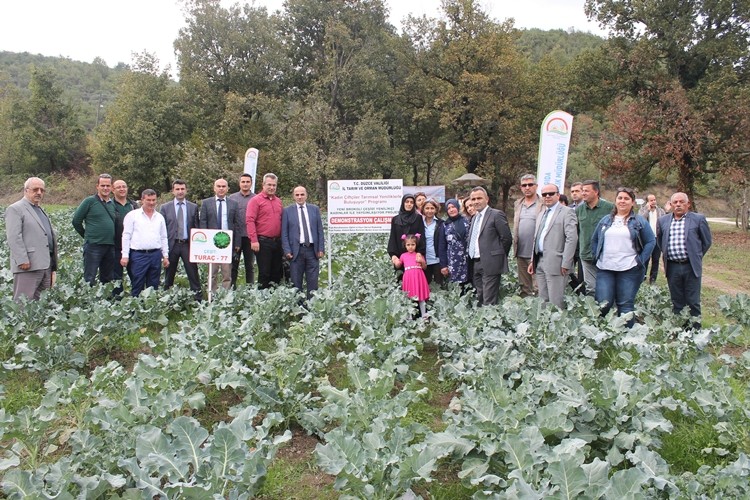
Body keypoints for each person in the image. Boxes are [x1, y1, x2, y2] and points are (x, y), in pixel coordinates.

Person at [591, 187, 656, 327]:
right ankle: (602, 334)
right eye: (620, 198)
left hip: (629, 269)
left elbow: (651, 241)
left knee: (625, 305)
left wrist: (640, 260)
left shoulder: (639, 222)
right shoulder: (605, 220)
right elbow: (595, 239)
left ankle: (628, 337)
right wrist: (596, 255)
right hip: (605, 268)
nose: (622, 201)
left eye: (626, 199)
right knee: (603, 303)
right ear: (615, 201)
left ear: (632, 202)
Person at [657, 192, 712, 328]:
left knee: (693, 301)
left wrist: (696, 255)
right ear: (671, 205)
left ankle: (696, 332)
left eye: (681, 202)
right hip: (673, 267)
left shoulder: (698, 219)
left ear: (688, 204)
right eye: (675, 202)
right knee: (677, 300)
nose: (678, 205)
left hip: (690, 266)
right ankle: (681, 331)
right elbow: (660, 241)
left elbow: (706, 242)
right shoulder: (663, 221)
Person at [5, 177, 58, 302]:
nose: (39, 192)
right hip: (28, 265)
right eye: (35, 189)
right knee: (23, 303)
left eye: (42, 190)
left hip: (45, 264)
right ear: (26, 190)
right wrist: (22, 259)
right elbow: (13, 237)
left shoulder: (39, 209)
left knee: (42, 303)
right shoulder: (15, 209)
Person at [527, 185, 578, 308]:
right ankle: (545, 325)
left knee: (556, 301)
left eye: (551, 193)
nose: (547, 196)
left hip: (557, 263)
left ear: (558, 195)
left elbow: (572, 239)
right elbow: (537, 237)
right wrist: (532, 261)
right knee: (542, 300)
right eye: (544, 194)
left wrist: (566, 262)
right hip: (540, 261)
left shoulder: (567, 212)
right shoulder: (542, 213)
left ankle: (557, 326)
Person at [466, 186, 513, 306]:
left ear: (487, 199)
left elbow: (506, 238)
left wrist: (498, 256)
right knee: (480, 295)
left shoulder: (496, 215)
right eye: (473, 199)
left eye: (479, 198)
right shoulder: (474, 218)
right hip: (475, 263)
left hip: (491, 263)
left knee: (489, 299)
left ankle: (490, 322)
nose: (476, 201)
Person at [120, 189, 169, 297]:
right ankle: (136, 310)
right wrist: (125, 255)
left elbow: (163, 237)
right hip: (138, 255)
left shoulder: (160, 217)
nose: (151, 203)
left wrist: (165, 255)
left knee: (153, 285)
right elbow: (126, 236)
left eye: (153, 200)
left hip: (155, 255)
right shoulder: (132, 215)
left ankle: (150, 310)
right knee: (137, 283)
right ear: (142, 200)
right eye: (148, 200)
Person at [72, 173, 117, 285]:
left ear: (111, 187)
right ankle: (88, 300)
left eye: (107, 186)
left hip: (110, 246)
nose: (105, 188)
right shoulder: (89, 201)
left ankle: (105, 301)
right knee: (90, 277)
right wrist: (87, 236)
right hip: (93, 245)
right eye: (102, 185)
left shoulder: (112, 204)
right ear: (97, 186)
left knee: (108, 278)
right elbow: (76, 221)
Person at [160, 180, 202, 301]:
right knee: (169, 274)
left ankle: (198, 299)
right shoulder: (165, 208)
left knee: (193, 273)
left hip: (187, 245)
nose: (180, 191)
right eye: (177, 189)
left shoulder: (193, 207)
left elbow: (196, 228)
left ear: (186, 190)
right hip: (171, 245)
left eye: (182, 189)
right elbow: (162, 229)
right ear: (173, 191)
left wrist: (197, 248)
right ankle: (167, 298)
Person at [281, 186, 325, 300]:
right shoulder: (287, 211)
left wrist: (321, 248)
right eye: (297, 195)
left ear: (306, 195)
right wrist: (287, 250)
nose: (299, 197)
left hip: (312, 250)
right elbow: (284, 233)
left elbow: (320, 230)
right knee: (296, 281)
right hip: (296, 251)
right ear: (293, 196)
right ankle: (299, 308)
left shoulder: (314, 209)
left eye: (302, 194)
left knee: (313, 281)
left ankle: (312, 304)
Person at [200, 178, 241, 291]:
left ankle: (225, 296)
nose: (221, 188)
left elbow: (237, 224)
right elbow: (203, 222)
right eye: (219, 186)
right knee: (212, 272)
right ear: (214, 188)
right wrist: (204, 242)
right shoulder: (206, 203)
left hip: (227, 242)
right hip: (211, 243)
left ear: (227, 189)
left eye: (223, 186)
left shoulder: (233, 204)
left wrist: (237, 242)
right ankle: (211, 295)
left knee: (227, 273)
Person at [575, 180, 614, 296]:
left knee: (605, 287)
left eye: (586, 191)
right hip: (586, 255)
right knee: (590, 288)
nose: (583, 193)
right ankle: (594, 312)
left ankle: (608, 312)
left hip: (604, 256)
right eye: (582, 191)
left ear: (596, 192)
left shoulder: (609, 208)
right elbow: (576, 232)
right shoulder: (579, 210)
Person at [246, 173, 284, 289]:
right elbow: (250, 220)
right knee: (264, 272)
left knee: (276, 272)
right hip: (263, 242)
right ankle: (263, 300)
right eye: (269, 185)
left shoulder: (278, 201)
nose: (272, 187)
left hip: (277, 242)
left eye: (274, 185)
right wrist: (254, 240)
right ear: (263, 184)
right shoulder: (255, 201)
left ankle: (274, 299)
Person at [513, 174, 543, 297]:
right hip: (521, 251)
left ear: (536, 186)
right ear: (521, 187)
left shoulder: (542, 204)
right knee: (524, 286)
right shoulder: (518, 204)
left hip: (537, 252)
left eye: (530, 184)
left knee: (538, 287)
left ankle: (539, 313)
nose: (527, 187)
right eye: (524, 185)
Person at [388, 194, 426, 276]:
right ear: (403, 203)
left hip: (414, 257)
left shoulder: (418, 218)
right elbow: (393, 238)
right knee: (401, 283)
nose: (409, 204)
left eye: (411, 202)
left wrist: (420, 252)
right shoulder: (395, 219)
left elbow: (421, 235)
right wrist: (393, 256)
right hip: (400, 257)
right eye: (407, 202)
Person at [393, 234, 430, 318]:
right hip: (408, 277)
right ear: (405, 245)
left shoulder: (419, 255)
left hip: (418, 277)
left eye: (413, 244)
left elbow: (424, 267)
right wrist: (396, 261)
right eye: (408, 245)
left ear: (416, 245)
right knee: (409, 297)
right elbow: (398, 266)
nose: (410, 247)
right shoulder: (403, 255)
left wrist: (422, 261)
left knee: (421, 296)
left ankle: (424, 314)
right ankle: (409, 316)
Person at [229, 173, 256, 287]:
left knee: (249, 266)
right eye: (243, 182)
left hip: (250, 237)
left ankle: (250, 290)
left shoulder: (256, 198)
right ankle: (232, 289)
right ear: (239, 183)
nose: (245, 184)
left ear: (251, 183)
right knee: (233, 265)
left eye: (247, 182)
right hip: (235, 237)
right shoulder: (231, 198)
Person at [112, 179, 138, 295]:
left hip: (132, 247)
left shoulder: (133, 205)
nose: (122, 189)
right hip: (115, 246)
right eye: (118, 187)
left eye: (124, 186)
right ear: (113, 190)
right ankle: (117, 300)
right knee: (116, 276)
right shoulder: (110, 205)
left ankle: (137, 298)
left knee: (135, 274)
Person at [439, 198, 469, 286]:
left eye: (453, 207)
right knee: (455, 288)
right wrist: (443, 265)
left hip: (467, 260)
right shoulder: (445, 225)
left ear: (458, 207)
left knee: (468, 286)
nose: (451, 210)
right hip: (452, 262)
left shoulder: (466, 221)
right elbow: (442, 246)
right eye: (449, 208)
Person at [638, 193, 666, 284]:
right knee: (645, 258)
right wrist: (647, 210)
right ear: (647, 202)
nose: (653, 202)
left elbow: (664, 221)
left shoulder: (660, 211)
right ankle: (643, 276)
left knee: (656, 259)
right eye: (651, 200)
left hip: (657, 238)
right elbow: (640, 221)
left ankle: (653, 279)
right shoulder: (642, 210)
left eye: (654, 200)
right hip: (646, 239)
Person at [421, 198, 445, 285]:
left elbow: (444, 244)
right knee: (425, 286)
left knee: (439, 286)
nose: (429, 211)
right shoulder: (419, 223)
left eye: (432, 208)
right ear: (423, 209)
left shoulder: (441, 224)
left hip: (437, 260)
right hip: (423, 260)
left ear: (436, 209)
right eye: (427, 208)